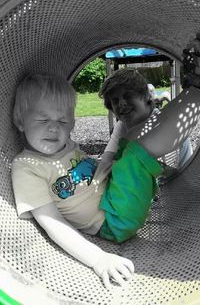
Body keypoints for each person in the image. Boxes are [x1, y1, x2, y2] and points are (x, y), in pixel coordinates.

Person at [11, 36, 200, 290]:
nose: (54, 129)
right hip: (113, 222)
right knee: (133, 154)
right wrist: (97, 258)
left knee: (127, 148)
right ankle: (196, 93)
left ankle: (192, 91)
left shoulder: (65, 147)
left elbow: (91, 170)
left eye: (63, 121)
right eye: (42, 120)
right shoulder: (27, 167)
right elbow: (52, 223)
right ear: (20, 122)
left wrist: (109, 167)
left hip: (112, 199)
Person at [97, 69, 193, 179]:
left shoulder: (163, 124)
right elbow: (107, 161)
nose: (122, 103)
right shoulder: (122, 125)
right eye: (115, 101)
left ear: (147, 96)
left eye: (128, 96)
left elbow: (173, 176)